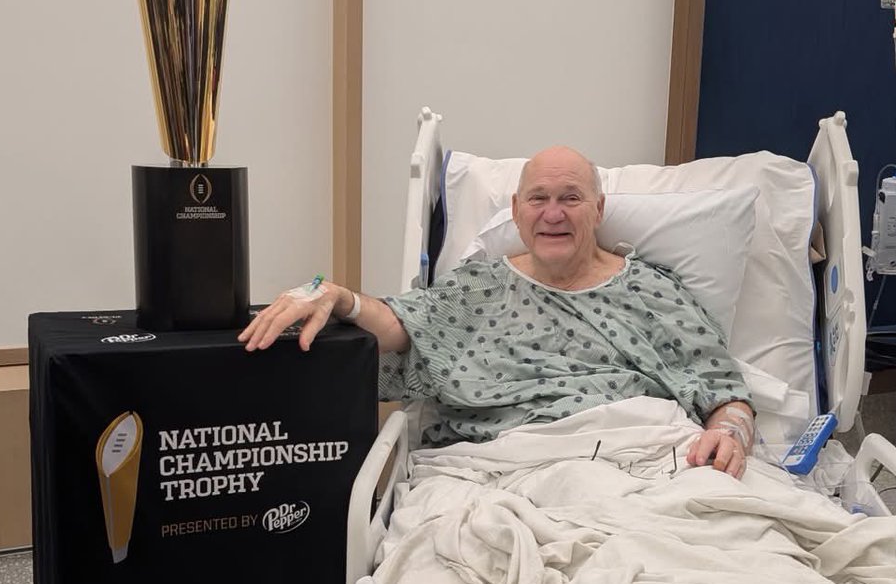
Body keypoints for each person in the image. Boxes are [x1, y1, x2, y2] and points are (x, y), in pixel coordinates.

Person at [240, 145, 756, 478]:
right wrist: (338, 295)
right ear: (516, 210)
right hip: (507, 469)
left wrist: (730, 434)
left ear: (598, 210)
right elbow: (403, 325)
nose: (552, 213)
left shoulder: (653, 292)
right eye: (538, 198)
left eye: (570, 198)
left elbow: (724, 393)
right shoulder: (480, 288)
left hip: (645, 462)